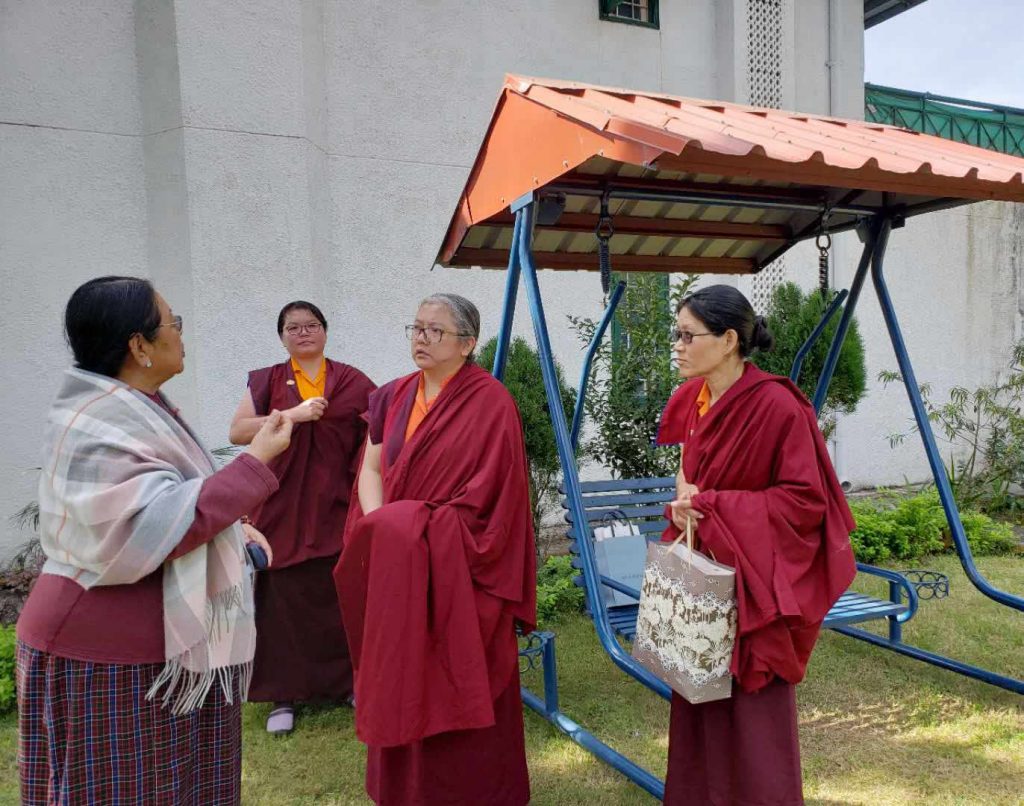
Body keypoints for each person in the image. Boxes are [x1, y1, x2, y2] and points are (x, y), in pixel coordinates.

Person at [17, 276, 292, 805]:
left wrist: (230, 526)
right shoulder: (93, 422)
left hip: (175, 652)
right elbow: (144, 527)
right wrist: (255, 463)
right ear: (139, 346)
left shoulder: (142, 407)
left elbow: (172, 499)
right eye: (173, 322)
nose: (182, 334)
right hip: (104, 659)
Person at [656, 284, 857, 806]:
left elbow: (805, 503)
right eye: (675, 333)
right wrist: (686, 504)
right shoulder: (692, 400)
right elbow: (689, 478)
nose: (676, 345)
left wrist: (719, 506)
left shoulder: (778, 407)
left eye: (686, 334)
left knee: (752, 713)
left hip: (755, 588)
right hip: (707, 578)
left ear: (727, 340)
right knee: (699, 689)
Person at [334, 293, 536, 806]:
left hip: (458, 568)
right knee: (399, 674)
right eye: (416, 328)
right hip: (400, 561)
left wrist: (412, 531)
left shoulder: (491, 403)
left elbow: (497, 499)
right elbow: (372, 470)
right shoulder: (393, 396)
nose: (420, 339)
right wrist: (384, 528)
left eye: (434, 331)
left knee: (458, 678)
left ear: (467, 345)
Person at [228, 300, 375, 735]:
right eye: (293, 327)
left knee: (338, 593)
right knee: (282, 601)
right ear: (282, 336)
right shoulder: (269, 380)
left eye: (311, 325)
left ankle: (349, 683)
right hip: (281, 505)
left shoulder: (351, 379)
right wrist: (290, 415)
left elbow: (379, 428)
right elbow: (237, 432)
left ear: (325, 332)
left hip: (335, 505)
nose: (303, 333)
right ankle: (284, 694)